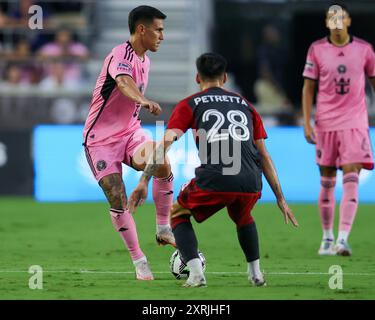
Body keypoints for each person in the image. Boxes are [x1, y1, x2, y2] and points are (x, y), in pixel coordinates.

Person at [128, 53, 298, 287]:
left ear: (198, 77)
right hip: (250, 180)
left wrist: (144, 180)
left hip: (216, 177)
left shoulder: (190, 104)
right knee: (243, 216)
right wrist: (281, 198)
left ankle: (196, 274)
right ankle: (256, 274)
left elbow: (164, 145)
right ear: (225, 78)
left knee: (177, 213)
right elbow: (264, 155)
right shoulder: (246, 105)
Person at [82, 6, 175, 281]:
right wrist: (143, 100)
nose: (162, 36)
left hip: (130, 132)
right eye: (158, 29)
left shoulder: (146, 60)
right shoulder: (120, 54)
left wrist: (139, 105)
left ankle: (163, 227)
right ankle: (140, 261)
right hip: (100, 140)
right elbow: (123, 82)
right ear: (142, 29)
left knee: (161, 160)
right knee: (117, 197)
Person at [302, 3, 375, 256]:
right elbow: (308, 88)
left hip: (354, 123)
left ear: (348, 20)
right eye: (331, 17)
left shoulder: (365, 50)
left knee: (351, 176)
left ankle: (343, 238)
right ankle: (327, 237)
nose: (336, 21)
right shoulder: (317, 49)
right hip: (325, 123)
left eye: (340, 17)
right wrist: (306, 121)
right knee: (327, 181)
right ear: (326, 22)